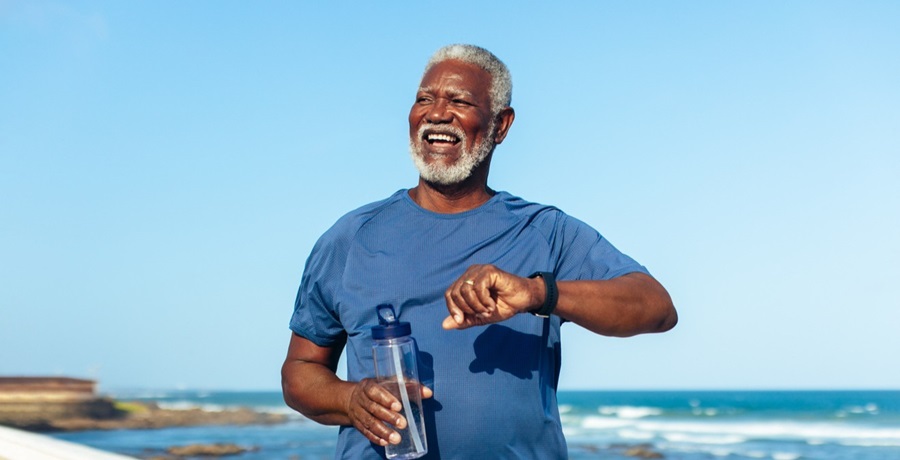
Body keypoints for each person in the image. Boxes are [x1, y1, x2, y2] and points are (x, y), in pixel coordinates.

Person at [281, 44, 677, 459]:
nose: (436, 113)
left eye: (459, 101)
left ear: (501, 126)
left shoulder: (544, 231)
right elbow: (300, 372)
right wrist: (349, 400)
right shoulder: (351, 237)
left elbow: (657, 306)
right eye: (424, 99)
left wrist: (538, 294)